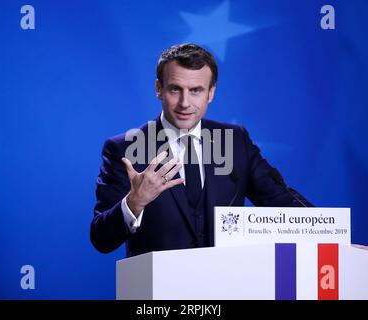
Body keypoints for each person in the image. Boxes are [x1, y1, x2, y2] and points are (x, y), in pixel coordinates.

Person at [90, 43, 312, 257]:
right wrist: (134, 202)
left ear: (211, 92)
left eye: (196, 90)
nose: (185, 103)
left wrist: (326, 226)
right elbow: (101, 239)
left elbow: (281, 201)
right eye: (175, 89)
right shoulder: (124, 148)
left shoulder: (235, 141)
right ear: (159, 89)